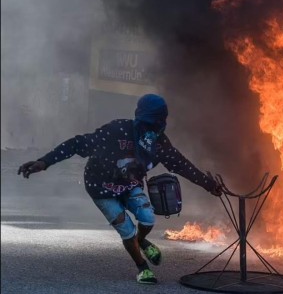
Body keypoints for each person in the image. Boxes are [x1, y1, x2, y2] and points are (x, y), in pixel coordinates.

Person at [17, 94, 222, 285]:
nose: (152, 129)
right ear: (139, 118)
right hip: (101, 187)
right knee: (126, 229)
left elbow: (181, 165)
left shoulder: (160, 144)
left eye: (158, 123)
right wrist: (44, 162)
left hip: (130, 185)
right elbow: (77, 144)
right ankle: (142, 267)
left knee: (148, 217)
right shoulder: (116, 131)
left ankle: (141, 240)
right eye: (149, 123)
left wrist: (209, 185)